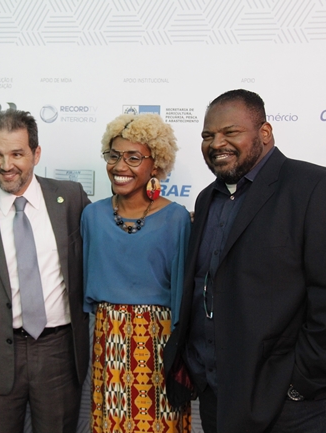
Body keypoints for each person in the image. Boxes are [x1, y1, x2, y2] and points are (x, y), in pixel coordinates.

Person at [163, 89, 326, 433]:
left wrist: (302, 381)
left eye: (230, 132)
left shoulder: (319, 188)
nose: (216, 143)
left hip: (289, 404)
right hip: (217, 396)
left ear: (265, 132)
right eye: (207, 135)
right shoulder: (208, 197)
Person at [0, 109, 90, 433]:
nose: (6, 165)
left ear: (36, 154)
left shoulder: (71, 198)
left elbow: (105, 239)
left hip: (58, 352)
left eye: (17, 154)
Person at [82, 113, 191, 433]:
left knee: (160, 423)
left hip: (160, 341)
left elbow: (182, 296)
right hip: (108, 339)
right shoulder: (92, 215)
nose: (120, 166)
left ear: (156, 164)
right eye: (114, 155)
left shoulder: (176, 218)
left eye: (133, 157)